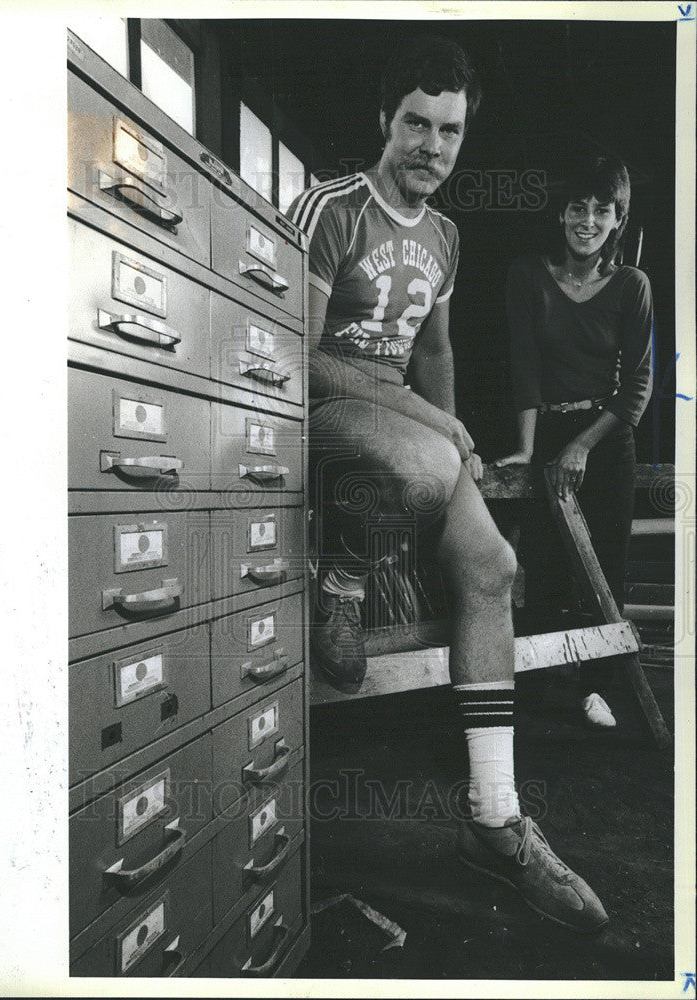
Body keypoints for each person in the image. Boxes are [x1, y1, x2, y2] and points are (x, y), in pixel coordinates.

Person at [288, 36, 608, 933]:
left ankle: (497, 820)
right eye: (417, 124)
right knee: (428, 459)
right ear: (384, 125)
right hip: (329, 416)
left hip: (413, 422)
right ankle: (340, 580)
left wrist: (454, 436)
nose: (434, 145)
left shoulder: (448, 235)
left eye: (452, 131)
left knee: (493, 565)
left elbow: (435, 351)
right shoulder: (331, 207)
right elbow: (296, 357)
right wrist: (441, 431)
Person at [496, 153, 653, 729]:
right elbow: (525, 367)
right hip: (549, 431)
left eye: (601, 210)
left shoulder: (632, 285)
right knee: (539, 565)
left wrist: (582, 446)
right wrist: (527, 449)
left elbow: (637, 386)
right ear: (560, 213)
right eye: (577, 207)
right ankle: (535, 687)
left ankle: (599, 688)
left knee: (604, 567)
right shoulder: (527, 275)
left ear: (618, 219)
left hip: (607, 438)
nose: (588, 220)